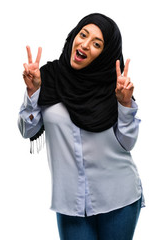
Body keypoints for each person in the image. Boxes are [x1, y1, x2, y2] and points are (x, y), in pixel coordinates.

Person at [18, 13, 143, 239]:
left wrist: (125, 104)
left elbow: (127, 142)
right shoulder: (47, 78)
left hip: (119, 197)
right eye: (83, 34)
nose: (85, 44)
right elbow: (28, 130)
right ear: (73, 36)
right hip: (71, 202)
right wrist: (33, 92)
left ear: (104, 54)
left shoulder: (115, 87)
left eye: (97, 44)